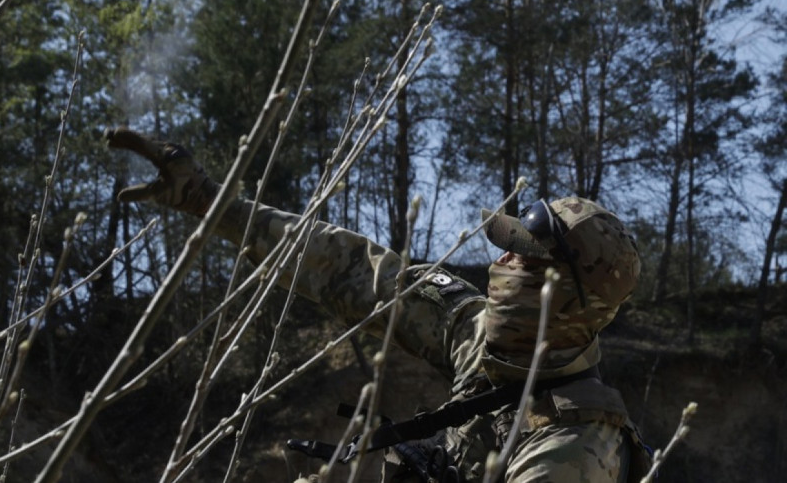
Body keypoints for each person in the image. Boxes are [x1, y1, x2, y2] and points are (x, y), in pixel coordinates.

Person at [104, 128, 652, 483]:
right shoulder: (483, 339)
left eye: (522, 257)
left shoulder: (574, 456)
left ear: (564, 298)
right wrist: (207, 200)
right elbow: (350, 268)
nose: (502, 262)